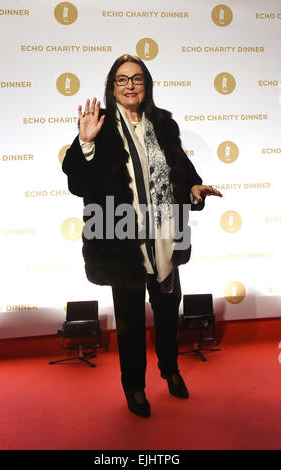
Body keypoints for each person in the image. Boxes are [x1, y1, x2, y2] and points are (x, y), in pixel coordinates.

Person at [62, 54, 222, 418]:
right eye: (122, 79)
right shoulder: (99, 126)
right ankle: (134, 388)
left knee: (167, 312)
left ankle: (170, 369)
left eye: (136, 78)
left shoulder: (163, 124)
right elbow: (79, 183)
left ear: (146, 84)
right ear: (112, 86)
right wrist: (85, 145)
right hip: (123, 242)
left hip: (165, 236)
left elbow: (182, 169)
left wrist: (194, 189)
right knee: (131, 322)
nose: (130, 85)